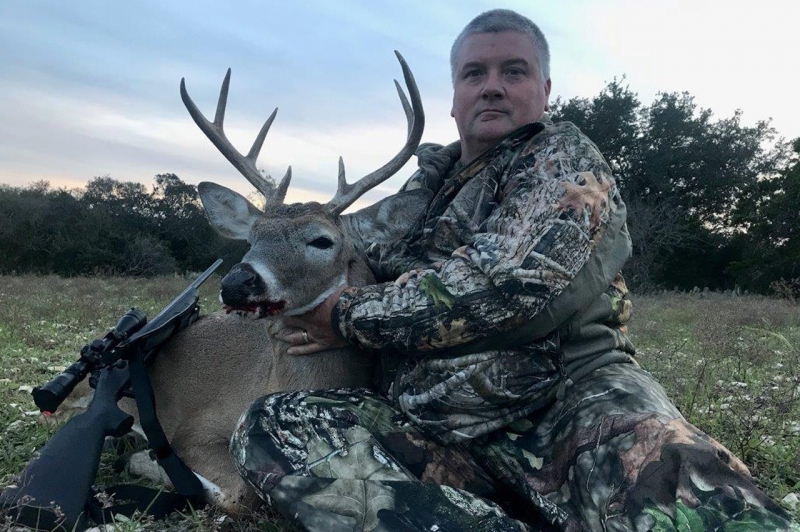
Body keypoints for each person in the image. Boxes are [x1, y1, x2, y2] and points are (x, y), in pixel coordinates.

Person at [229, 9, 797, 532]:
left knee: (692, 497)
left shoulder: (565, 166)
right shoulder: (420, 196)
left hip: (567, 407)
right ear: (455, 98)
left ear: (544, 90)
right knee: (277, 427)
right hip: (430, 425)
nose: (493, 85)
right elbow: (341, 255)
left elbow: (504, 287)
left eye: (514, 71)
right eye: (474, 73)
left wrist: (345, 315)